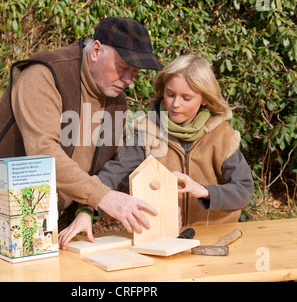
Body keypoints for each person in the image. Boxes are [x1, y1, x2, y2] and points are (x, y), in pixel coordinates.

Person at [0, 17, 162, 243]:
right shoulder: (45, 74)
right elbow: (43, 152)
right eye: (122, 68)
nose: (129, 79)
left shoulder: (117, 101)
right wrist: (102, 197)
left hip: (49, 214)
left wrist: (161, 196)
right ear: (96, 50)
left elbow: (116, 165)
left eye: (135, 72)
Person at [59, 54, 254, 249]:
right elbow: (113, 175)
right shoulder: (147, 133)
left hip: (215, 239)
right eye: (170, 94)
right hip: (159, 240)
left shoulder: (223, 135)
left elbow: (244, 191)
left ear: (204, 99)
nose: (175, 104)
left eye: (186, 98)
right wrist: (86, 211)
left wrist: (203, 190)